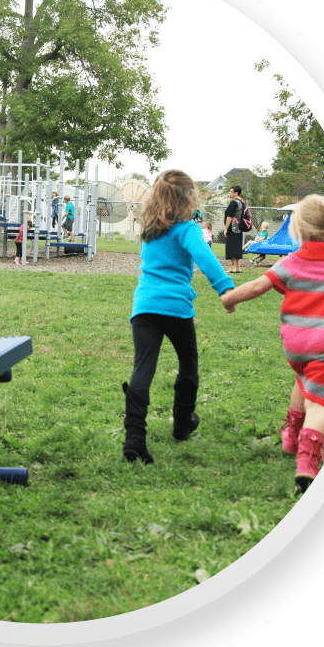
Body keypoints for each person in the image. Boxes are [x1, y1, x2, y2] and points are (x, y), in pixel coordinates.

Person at [220, 194, 324, 492]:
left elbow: (257, 286)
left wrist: (230, 298)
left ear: (299, 230)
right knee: (319, 405)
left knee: (302, 381)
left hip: (297, 347)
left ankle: (291, 437)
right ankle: (308, 462)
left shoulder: (292, 262)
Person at [122, 169, 234, 465]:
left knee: (143, 367)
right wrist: (225, 289)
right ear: (189, 199)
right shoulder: (188, 230)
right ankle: (182, 426)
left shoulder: (150, 229)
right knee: (188, 361)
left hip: (145, 307)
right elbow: (206, 257)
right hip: (176, 309)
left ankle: (134, 438)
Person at [223, 185, 245, 273]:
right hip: (239, 228)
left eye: (231, 191)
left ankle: (233, 268)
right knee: (238, 247)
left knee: (232, 247)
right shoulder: (242, 202)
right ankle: (238, 268)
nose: (229, 193)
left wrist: (226, 229)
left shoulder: (234, 203)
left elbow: (229, 217)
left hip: (232, 228)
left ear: (236, 193)